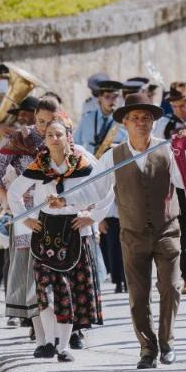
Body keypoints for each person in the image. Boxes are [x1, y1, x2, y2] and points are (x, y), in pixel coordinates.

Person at [8, 119, 111, 362]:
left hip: (73, 232)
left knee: (68, 291)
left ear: (67, 138)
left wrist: (93, 217)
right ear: (45, 140)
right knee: (45, 290)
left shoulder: (83, 163)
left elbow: (106, 189)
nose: (55, 139)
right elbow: (14, 192)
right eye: (50, 135)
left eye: (59, 134)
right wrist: (26, 219)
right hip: (45, 232)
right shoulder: (39, 165)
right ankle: (48, 343)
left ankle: (63, 346)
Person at [97, 92, 184, 369]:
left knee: (171, 287)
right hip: (132, 234)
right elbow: (95, 189)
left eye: (146, 117)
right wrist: (71, 205)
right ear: (125, 123)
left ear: (153, 122)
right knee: (138, 296)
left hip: (166, 231)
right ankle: (147, 349)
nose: (141, 122)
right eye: (134, 118)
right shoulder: (113, 156)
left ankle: (167, 342)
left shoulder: (168, 150)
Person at [0, 96, 59, 328]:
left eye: (50, 121)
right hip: (24, 209)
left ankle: (59, 324)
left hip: (55, 209)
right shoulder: (21, 138)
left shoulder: (62, 137)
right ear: (35, 117)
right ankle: (30, 319)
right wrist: (4, 198)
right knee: (27, 266)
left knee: (54, 266)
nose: (44, 127)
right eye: (41, 121)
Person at [75, 80, 127, 294]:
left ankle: (120, 277)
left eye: (115, 96)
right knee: (95, 226)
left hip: (114, 176)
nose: (111, 100)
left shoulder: (123, 122)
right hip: (90, 175)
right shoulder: (87, 119)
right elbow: (77, 145)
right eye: (107, 96)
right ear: (99, 98)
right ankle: (95, 273)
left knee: (115, 225)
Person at [156, 83, 186, 296]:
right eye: (173, 106)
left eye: (181, 105)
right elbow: (158, 151)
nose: (177, 110)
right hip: (175, 184)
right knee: (181, 230)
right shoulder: (165, 124)